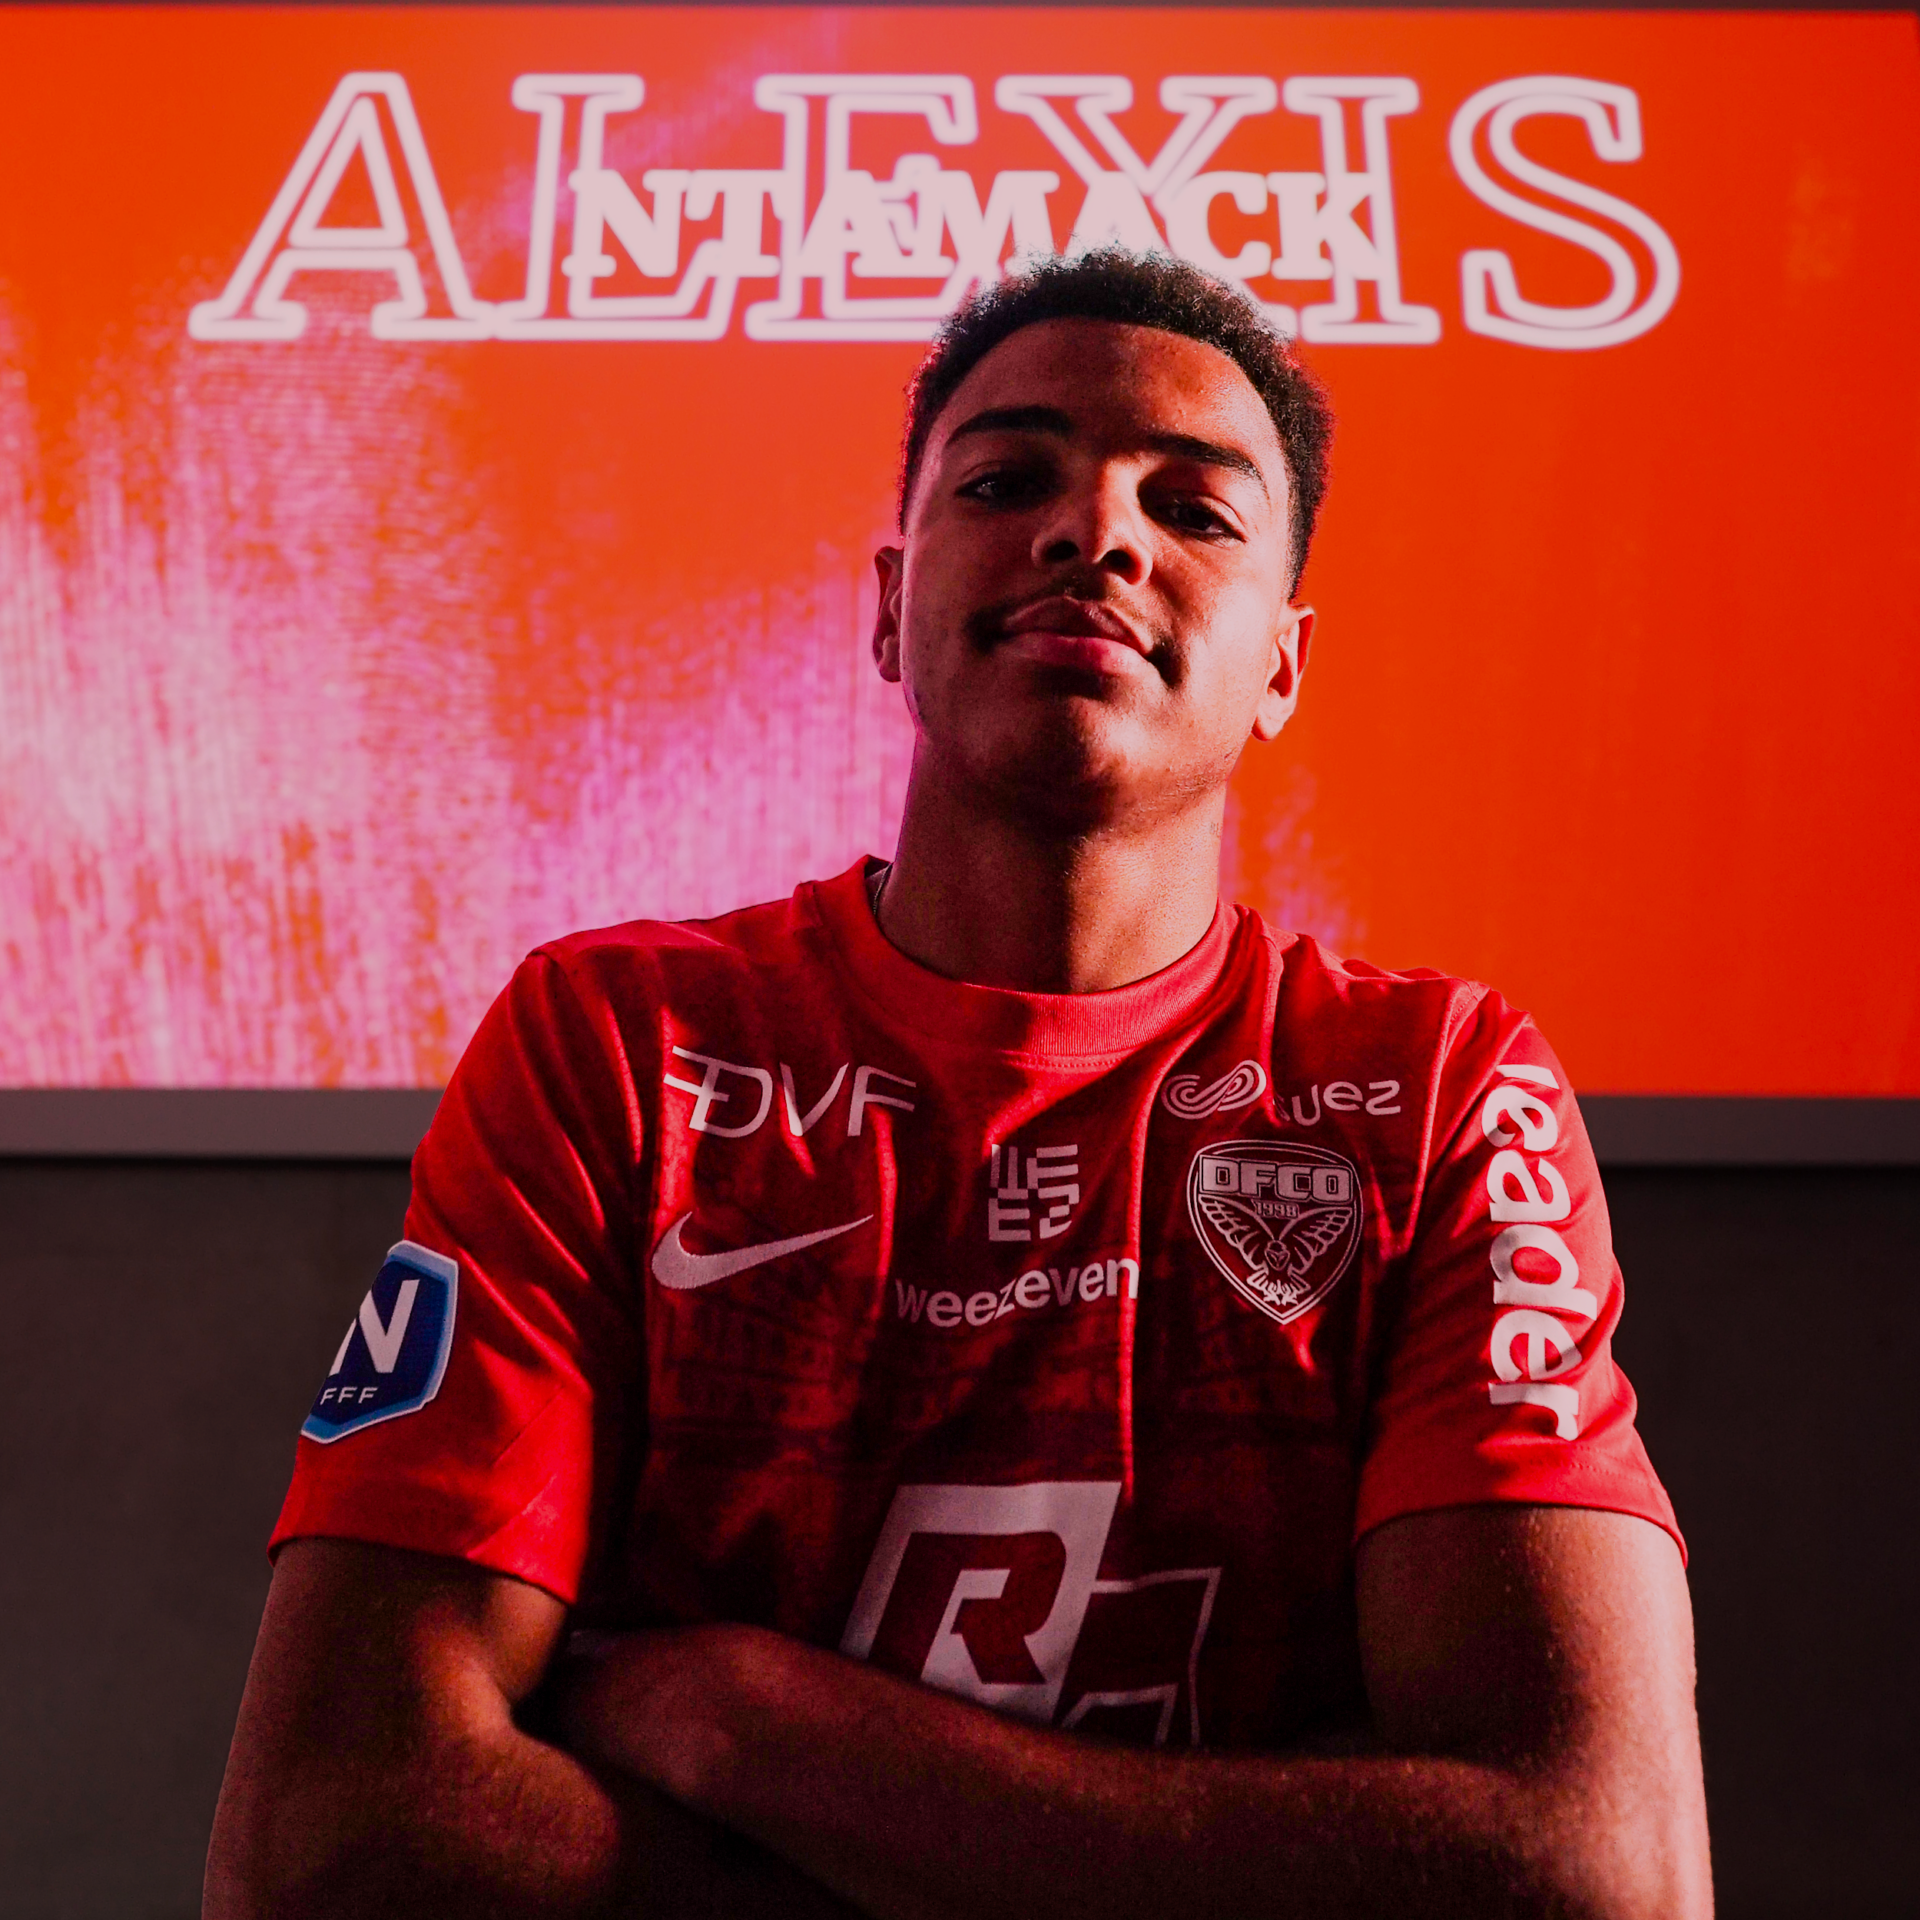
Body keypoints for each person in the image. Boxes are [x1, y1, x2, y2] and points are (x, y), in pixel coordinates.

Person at [205, 251, 1711, 1919]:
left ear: (1285, 667)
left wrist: (759, 1723)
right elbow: (329, 1834)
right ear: (886, 606)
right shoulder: (619, 1047)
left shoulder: (1434, 1090)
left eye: (1194, 510)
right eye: (1006, 483)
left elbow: (1594, 1871)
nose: (1097, 534)